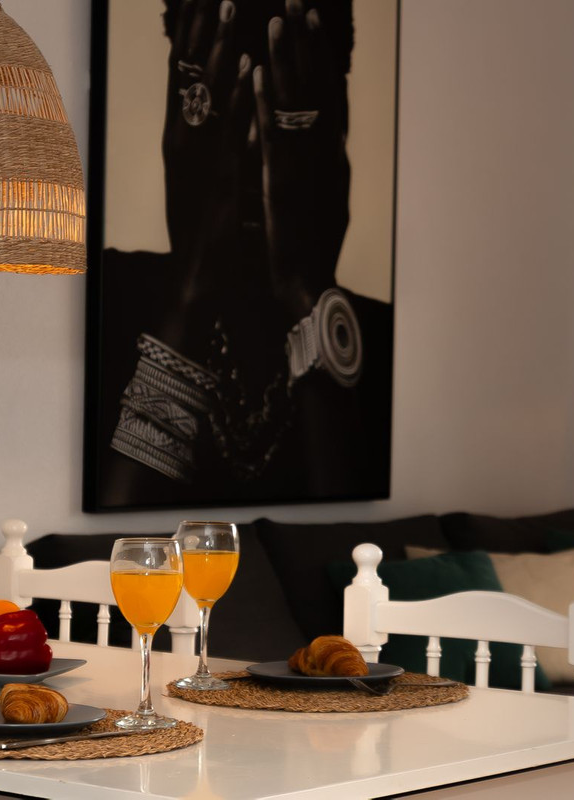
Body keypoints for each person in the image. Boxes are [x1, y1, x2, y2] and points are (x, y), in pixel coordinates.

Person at [91, 0, 392, 510]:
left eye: (284, 110)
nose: (251, 142)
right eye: (213, 105)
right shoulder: (104, 302)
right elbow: (113, 549)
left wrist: (309, 295)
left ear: (338, 125)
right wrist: (189, 299)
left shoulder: (385, 348)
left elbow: (355, 552)